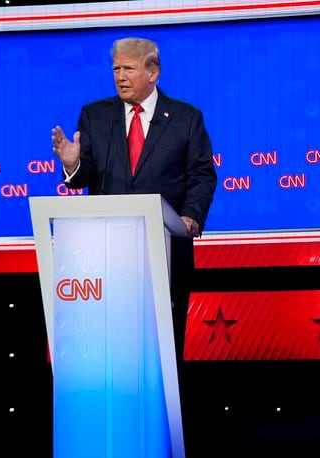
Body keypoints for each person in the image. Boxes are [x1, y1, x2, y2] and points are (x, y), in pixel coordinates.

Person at [51, 36, 217, 453]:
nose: (120, 77)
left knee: (161, 362)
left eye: (128, 69)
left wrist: (190, 218)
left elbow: (201, 175)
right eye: (116, 70)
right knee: (109, 359)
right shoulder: (96, 115)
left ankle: (160, 440)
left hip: (165, 254)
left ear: (152, 72)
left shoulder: (185, 117)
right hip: (105, 265)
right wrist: (73, 164)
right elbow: (86, 174)